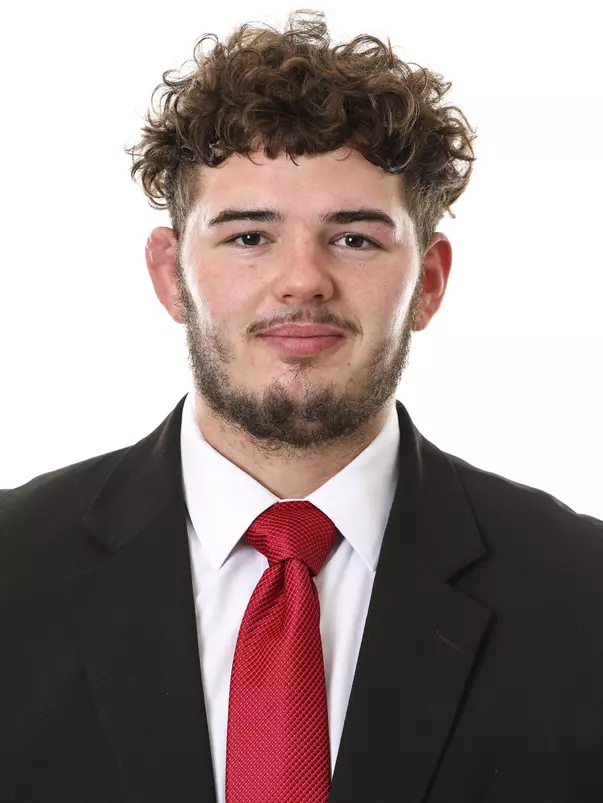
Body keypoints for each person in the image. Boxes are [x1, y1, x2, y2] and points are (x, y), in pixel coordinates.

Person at [2, 9, 602, 803]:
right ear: (169, 275)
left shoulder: (582, 597)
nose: (302, 280)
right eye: (249, 236)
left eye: (353, 238)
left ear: (427, 281)